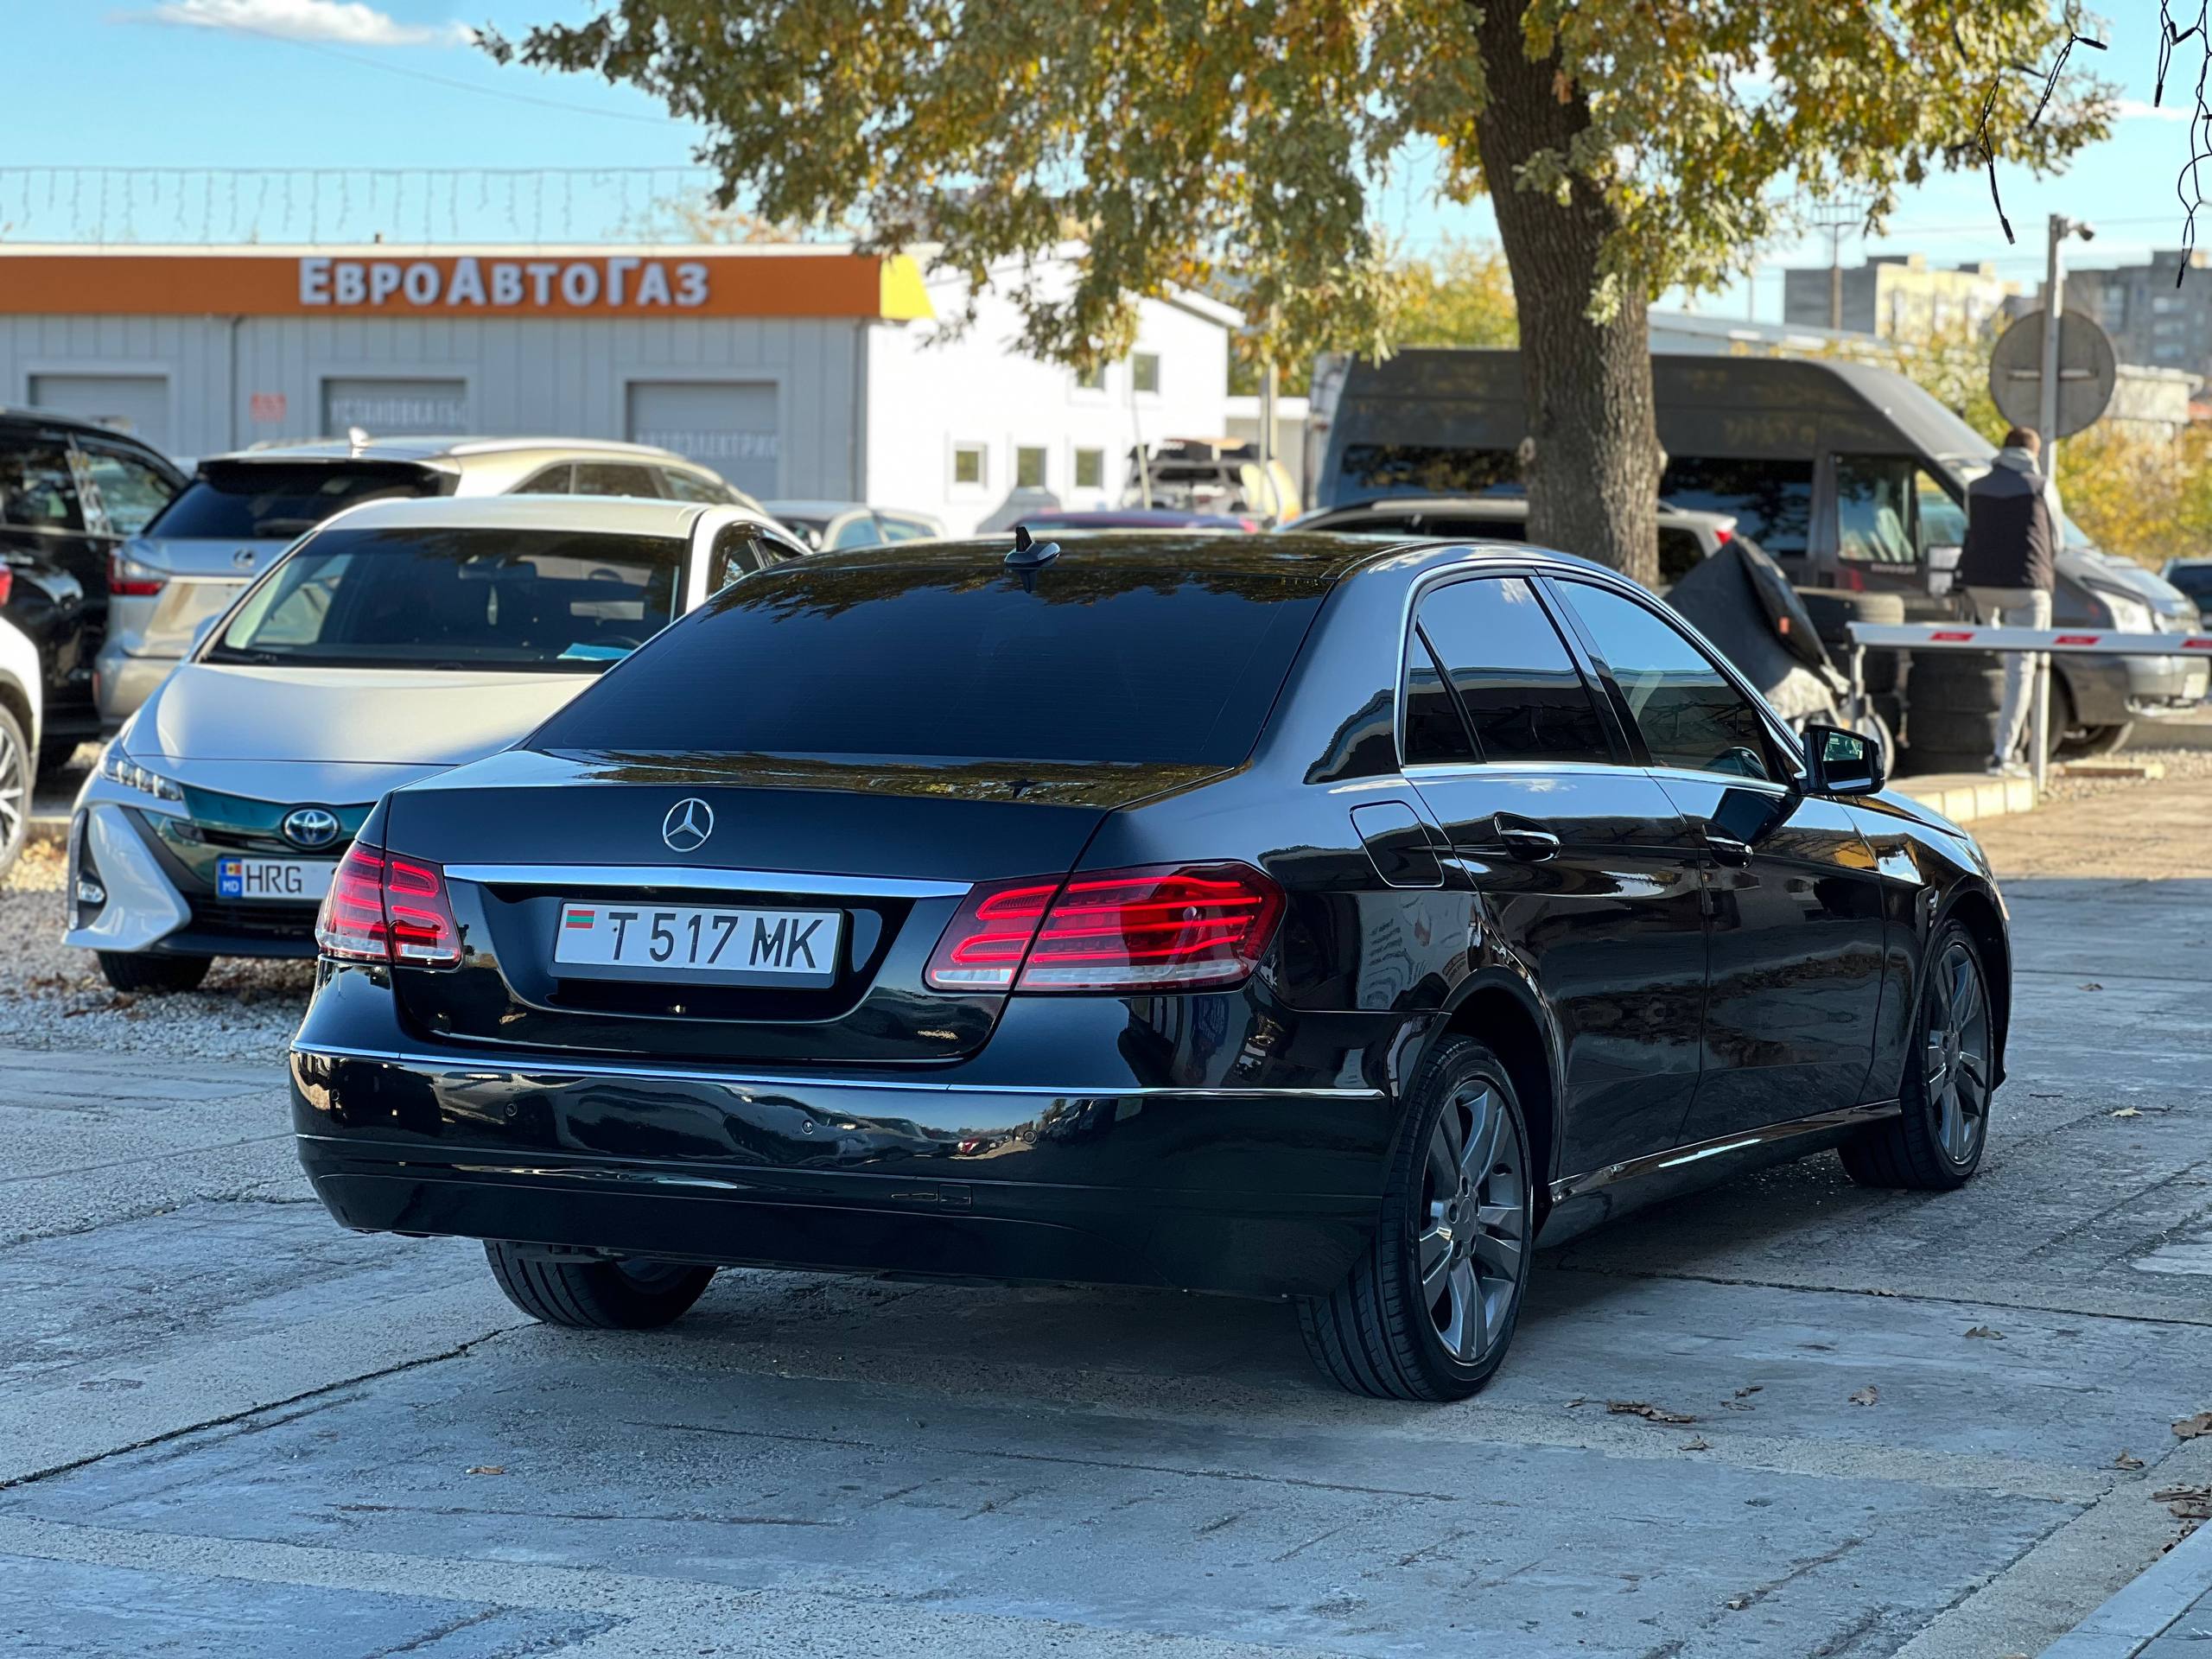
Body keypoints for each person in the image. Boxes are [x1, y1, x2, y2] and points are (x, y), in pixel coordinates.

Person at [1958, 426, 2059, 777]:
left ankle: (1992, 645)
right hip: (2027, 587)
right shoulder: (2041, 486)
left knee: (1994, 652)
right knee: (2021, 669)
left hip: (1980, 586)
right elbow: (2056, 542)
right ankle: (2004, 754)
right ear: (2034, 454)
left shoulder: (1975, 487)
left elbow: (1975, 531)